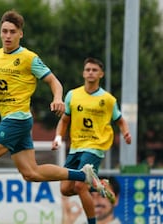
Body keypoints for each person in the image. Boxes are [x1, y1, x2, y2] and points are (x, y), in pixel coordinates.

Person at [0, 10, 107, 224]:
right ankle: (82, 175)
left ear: (21, 34)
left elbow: (54, 81)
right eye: (4, 31)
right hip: (9, 118)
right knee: (32, 173)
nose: (7, 36)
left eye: (12, 32)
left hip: (17, 119)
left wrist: (58, 98)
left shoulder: (29, 58)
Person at [52, 57, 132, 224]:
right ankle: (99, 184)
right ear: (83, 73)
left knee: (81, 186)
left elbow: (120, 120)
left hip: (95, 146)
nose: (90, 73)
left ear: (101, 74)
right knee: (65, 189)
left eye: (94, 70)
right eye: (88, 69)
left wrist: (125, 133)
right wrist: (58, 138)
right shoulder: (72, 95)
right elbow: (65, 120)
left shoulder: (108, 99)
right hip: (76, 147)